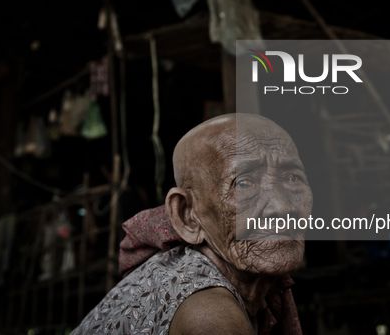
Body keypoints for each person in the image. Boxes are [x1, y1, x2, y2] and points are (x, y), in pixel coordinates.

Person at [72, 113, 313, 335]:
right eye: (243, 183)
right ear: (187, 216)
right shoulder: (209, 316)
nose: (282, 207)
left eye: (293, 177)